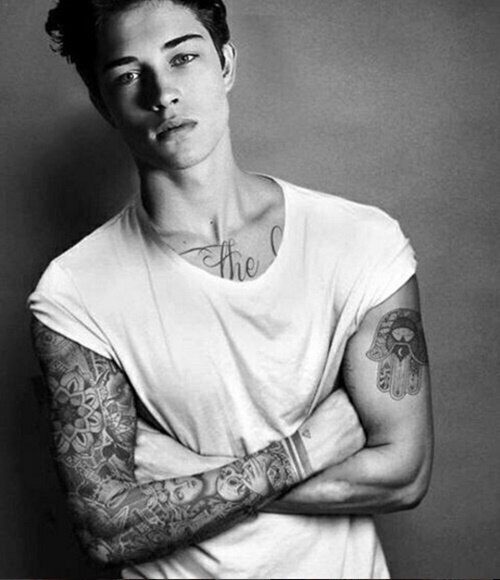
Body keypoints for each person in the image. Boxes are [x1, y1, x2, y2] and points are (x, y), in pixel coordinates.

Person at [29, 0, 433, 578]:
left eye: (183, 58)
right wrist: (304, 451)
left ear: (226, 65)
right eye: (128, 75)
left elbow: (404, 474)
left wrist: (186, 476)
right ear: (103, 103)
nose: (162, 94)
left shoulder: (360, 242)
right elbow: (107, 528)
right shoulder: (74, 292)